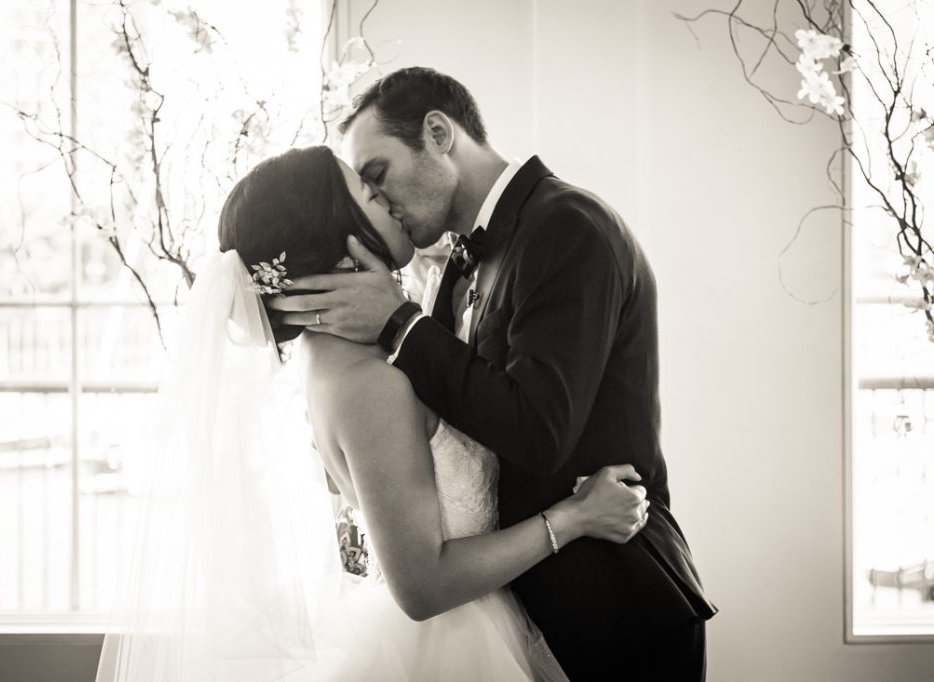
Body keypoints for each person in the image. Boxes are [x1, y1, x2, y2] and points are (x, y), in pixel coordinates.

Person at [96, 145, 652, 682]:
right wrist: (575, 517)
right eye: (367, 190)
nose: (386, 197)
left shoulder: (339, 352)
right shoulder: (369, 383)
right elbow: (423, 587)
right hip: (453, 647)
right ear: (337, 234)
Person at [268, 67, 719, 680]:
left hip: (613, 608)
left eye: (378, 176)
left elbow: (539, 430)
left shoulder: (567, 227)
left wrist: (400, 324)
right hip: (518, 614)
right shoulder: (460, 260)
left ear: (437, 133)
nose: (382, 203)